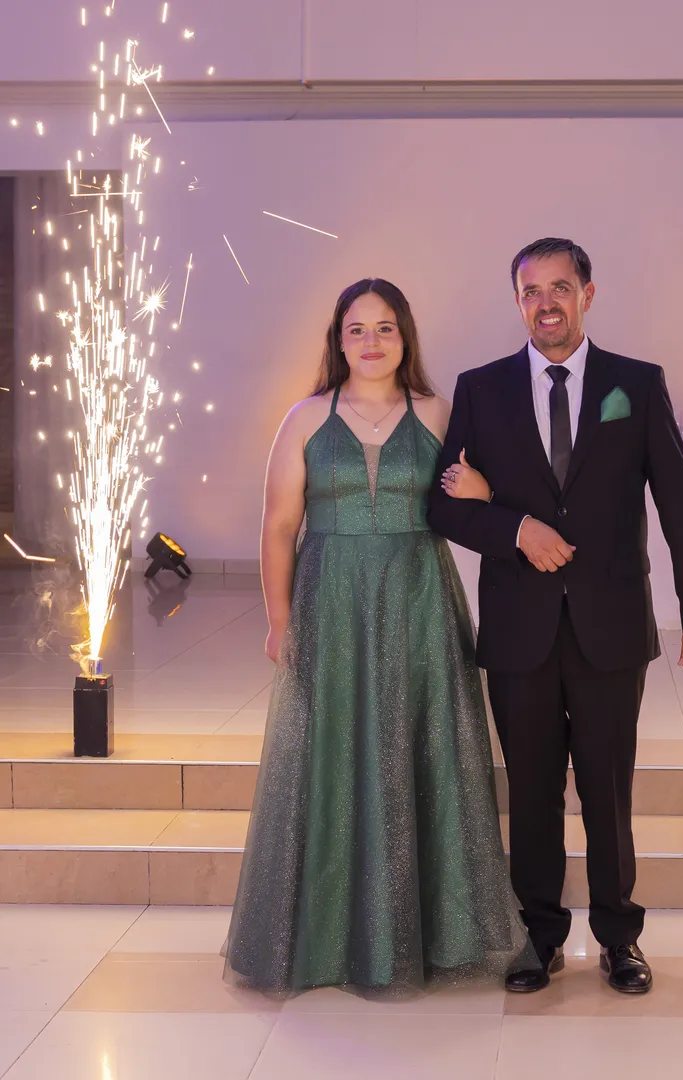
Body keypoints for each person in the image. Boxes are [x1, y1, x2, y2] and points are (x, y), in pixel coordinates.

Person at [429, 238, 683, 995]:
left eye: (560, 288)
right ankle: (538, 936)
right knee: (530, 793)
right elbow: (443, 504)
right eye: (532, 291)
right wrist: (516, 530)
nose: (546, 303)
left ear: (588, 295)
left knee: (607, 792)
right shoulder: (481, 389)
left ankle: (620, 938)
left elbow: (678, 501)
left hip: (611, 626)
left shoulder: (636, 383)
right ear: (517, 301)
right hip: (519, 629)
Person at [223, 278, 527, 993]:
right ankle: (330, 941)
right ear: (338, 340)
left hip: (420, 602)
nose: (371, 341)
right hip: (328, 604)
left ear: (405, 336)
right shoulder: (305, 418)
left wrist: (486, 492)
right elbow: (278, 526)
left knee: (420, 751)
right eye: (356, 329)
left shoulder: (437, 412)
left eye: (384, 328)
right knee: (330, 754)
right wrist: (279, 620)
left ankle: (437, 937)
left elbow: (477, 500)